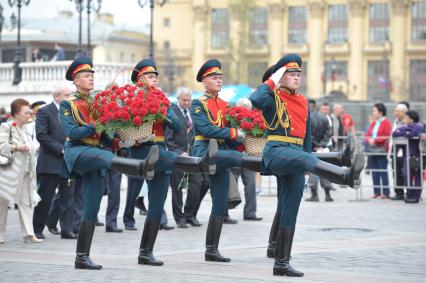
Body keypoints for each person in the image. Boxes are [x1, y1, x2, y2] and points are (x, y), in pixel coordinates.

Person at [249, 54, 364, 277]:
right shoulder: (272, 96)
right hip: (277, 151)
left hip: (297, 153)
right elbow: (255, 100)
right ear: (280, 76)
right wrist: (273, 79)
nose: (296, 77)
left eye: (298, 74)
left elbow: (307, 138)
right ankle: (345, 176)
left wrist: (306, 156)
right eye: (291, 73)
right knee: (308, 160)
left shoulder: (302, 101)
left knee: (289, 209)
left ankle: (281, 263)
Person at [60, 56, 161, 270]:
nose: (91, 78)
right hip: (77, 152)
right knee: (105, 158)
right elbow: (72, 132)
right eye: (86, 76)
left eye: (92, 75)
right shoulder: (68, 105)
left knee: (92, 206)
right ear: (76, 81)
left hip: (95, 154)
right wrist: (96, 126)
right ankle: (141, 167)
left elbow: (105, 137)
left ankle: (81, 257)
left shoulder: (97, 103)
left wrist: (119, 140)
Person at [129, 58, 218, 266]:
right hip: (142, 150)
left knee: (157, 204)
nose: (155, 80)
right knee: (172, 160)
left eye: (155, 77)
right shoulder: (130, 97)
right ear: (139, 79)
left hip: (160, 151)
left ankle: (145, 252)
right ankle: (200, 163)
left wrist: (162, 112)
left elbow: (177, 125)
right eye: (150, 77)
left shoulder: (162, 99)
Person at [32, 85, 77, 240]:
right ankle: (37, 229)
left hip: (68, 164)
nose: (70, 97)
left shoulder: (72, 112)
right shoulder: (45, 112)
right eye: (67, 95)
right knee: (45, 198)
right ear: (57, 97)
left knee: (68, 198)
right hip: (50, 162)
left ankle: (67, 230)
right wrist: (62, 149)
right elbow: (41, 136)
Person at [0, 99, 42, 244]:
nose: (28, 115)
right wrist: (17, 147)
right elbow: (1, 146)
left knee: (27, 202)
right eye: (25, 112)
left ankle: (29, 234)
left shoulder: (26, 129)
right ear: (16, 114)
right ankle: (0, 235)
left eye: (29, 112)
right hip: (8, 174)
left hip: (26, 173)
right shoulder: (6, 127)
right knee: (2, 203)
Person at [165, 87, 204, 228]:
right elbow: (168, 139)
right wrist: (178, 152)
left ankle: (190, 215)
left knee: (195, 187)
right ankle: (179, 218)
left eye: (189, 100)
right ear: (178, 99)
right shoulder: (172, 113)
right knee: (177, 189)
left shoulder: (193, 113)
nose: (187, 102)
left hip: (194, 157)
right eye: (184, 100)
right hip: (178, 157)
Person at [229, 98, 262, 221]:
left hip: (249, 156)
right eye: (242, 107)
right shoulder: (231, 120)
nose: (244, 110)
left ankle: (250, 213)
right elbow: (228, 136)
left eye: (247, 108)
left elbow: (258, 134)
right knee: (231, 186)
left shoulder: (253, 120)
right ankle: (225, 213)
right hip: (234, 155)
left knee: (251, 185)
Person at [305, 100, 334, 202]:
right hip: (323, 149)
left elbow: (308, 134)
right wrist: (322, 145)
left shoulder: (307, 118)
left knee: (313, 170)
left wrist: (316, 146)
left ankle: (314, 195)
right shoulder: (324, 117)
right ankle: (328, 195)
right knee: (324, 170)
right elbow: (329, 133)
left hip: (312, 148)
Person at [392, 110, 423, 203]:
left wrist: (406, 133)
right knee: (407, 175)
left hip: (417, 155)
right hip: (407, 156)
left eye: (406, 117)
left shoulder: (419, 126)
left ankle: (416, 196)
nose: (404, 119)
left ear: (412, 119)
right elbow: (395, 133)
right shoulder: (405, 126)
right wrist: (407, 132)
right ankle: (409, 195)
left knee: (417, 176)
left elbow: (415, 133)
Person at [365, 103, 392, 199]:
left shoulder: (387, 123)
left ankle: (385, 193)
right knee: (375, 172)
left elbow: (387, 136)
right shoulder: (374, 122)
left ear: (381, 112)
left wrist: (375, 140)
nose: (373, 113)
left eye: (375, 111)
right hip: (372, 150)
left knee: (382, 171)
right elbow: (367, 134)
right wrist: (369, 140)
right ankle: (376, 192)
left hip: (381, 150)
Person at [389, 103, 408, 200]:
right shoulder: (395, 121)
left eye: (397, 111)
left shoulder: (407, 122)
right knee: (395, 171)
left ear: (403, 112)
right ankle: (398, 192)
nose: (395, 112)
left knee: (404, 171)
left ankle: (408, 191)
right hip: (395, 149)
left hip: (404, 149)